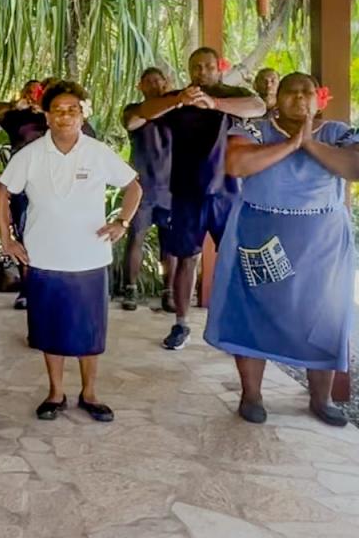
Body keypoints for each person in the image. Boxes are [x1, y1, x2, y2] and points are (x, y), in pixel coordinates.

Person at [207, 73, 355, 427]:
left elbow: (354, 167)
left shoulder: (338, 132)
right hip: (260, 236)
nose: (300, 98)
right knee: (251, 315)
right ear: (278, 98)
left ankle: (321, 399)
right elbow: (238, 164)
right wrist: (291, 144)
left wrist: (309, 143)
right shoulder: (254, 129)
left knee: (325, 318)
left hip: (322, 243)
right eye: (291, 91)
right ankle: (252, 395)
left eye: (307, 92)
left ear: (319, 99)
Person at [0, 81, 141, 422]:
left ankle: (89, 394)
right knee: (50, 329)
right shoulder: (29, 155)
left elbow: (133, 186)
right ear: (46, 116)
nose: (65, 116)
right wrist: (7, 239)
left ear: (82, 114)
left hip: (90, 257)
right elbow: (2, 193)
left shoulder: (97, 151)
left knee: (90, 331)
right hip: (44, 257)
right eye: (57, 110)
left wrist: (122, 221)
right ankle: (55, 393)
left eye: (72, 109)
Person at [134, 47, 265, 350]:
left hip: (227, 191)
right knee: (185, 258)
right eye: (196, 67)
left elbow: (258, 106)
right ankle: (181, 324)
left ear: (218, 68)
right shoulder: (180, 99)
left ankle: (241, 322)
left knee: (234, 257)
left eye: (208, 66)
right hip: (185, 192)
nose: (202, 72)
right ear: (189, 69)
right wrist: (178, 100)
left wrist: (215, 103)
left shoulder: (231, 94)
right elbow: (144, 113)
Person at [120, 67, 177, 312]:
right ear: (140, 87)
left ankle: (169, 293)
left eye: (158, 81)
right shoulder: (134, 110)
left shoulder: (178, 112)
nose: (154, 85)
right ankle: (129, 291)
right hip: (141, 188)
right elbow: (133, 122)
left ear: (166, 83)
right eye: (149, 82)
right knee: (136, 238)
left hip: (172, 189)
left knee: (171, 243)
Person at [0, 79, 47, 309]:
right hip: (21, 182)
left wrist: (43, 109)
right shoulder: (16, 116)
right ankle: (26, 288)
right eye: (28, 91)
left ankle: (45, 285)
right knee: (23, 232)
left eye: (36, 91)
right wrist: (17, 105)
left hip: (48, 181)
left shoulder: (49, 116)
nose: (31, 94)